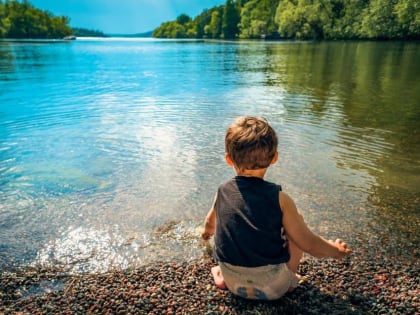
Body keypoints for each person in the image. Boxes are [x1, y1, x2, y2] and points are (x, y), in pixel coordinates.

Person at [201, 116, 351, 300]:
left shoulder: (222, 191)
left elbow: (209, 225)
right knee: (297, 223)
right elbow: (308, 243)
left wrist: (205, 236)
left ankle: (220, 275)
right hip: (274, 288)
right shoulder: (280, 199)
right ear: (274, 158)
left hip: (233, 283)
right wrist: (335, 250)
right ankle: (290, 279)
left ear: (229, 160)